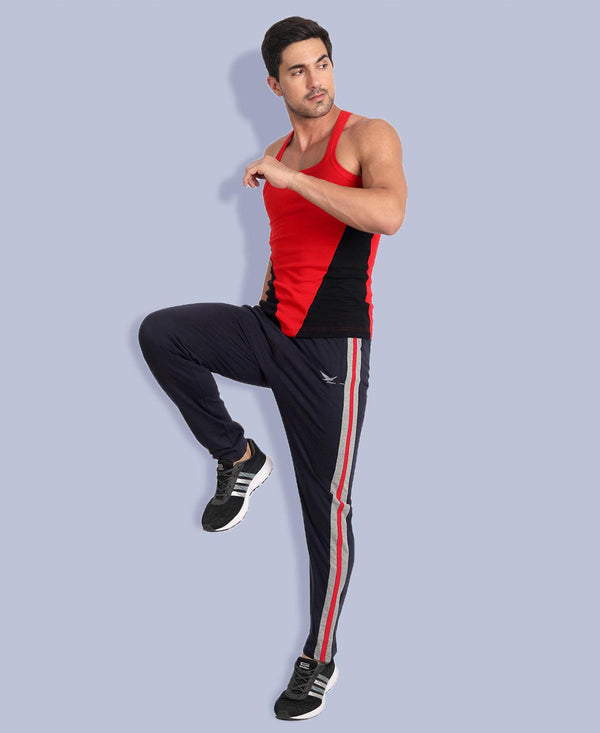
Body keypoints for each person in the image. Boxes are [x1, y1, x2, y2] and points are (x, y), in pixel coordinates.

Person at [138, 16, 407, 721]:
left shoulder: (367, 135)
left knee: (327, 508)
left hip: (331, 350)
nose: (315, 80)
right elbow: (288, 246)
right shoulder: (277, 151)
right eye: (298, 70)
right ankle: (239, 457)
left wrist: (291, 177)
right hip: (272, 330)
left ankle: (319, 658)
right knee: (163, 334)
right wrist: (264, 304)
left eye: (323, 64)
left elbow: (388, 214)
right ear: (273, 84)